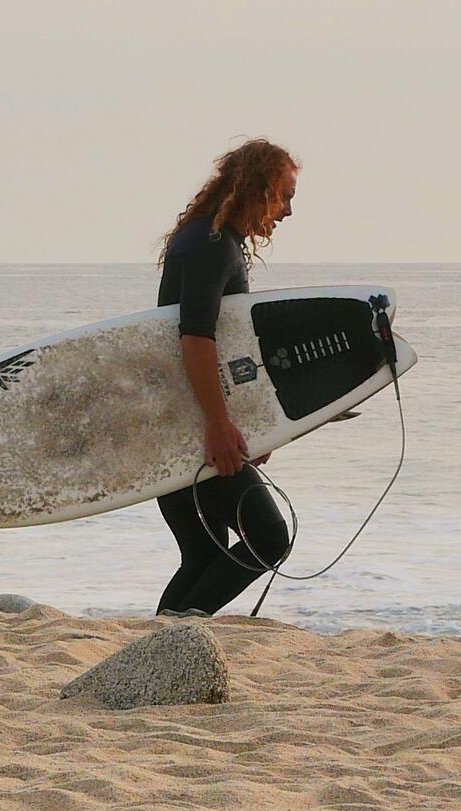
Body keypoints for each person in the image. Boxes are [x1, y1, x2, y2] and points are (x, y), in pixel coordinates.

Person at [153, 138, 299, 617]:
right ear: (256, 188)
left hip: (177, 422)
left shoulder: (210, 239)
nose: (287, 211)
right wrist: (218, 425)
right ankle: (174, 645)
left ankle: (163, 650)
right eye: (283, 195)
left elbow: (229, 352)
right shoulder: (211, 245)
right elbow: (194, 338)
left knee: (203, 558)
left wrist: (251, 424)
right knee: (269, 538)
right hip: (193, 428)